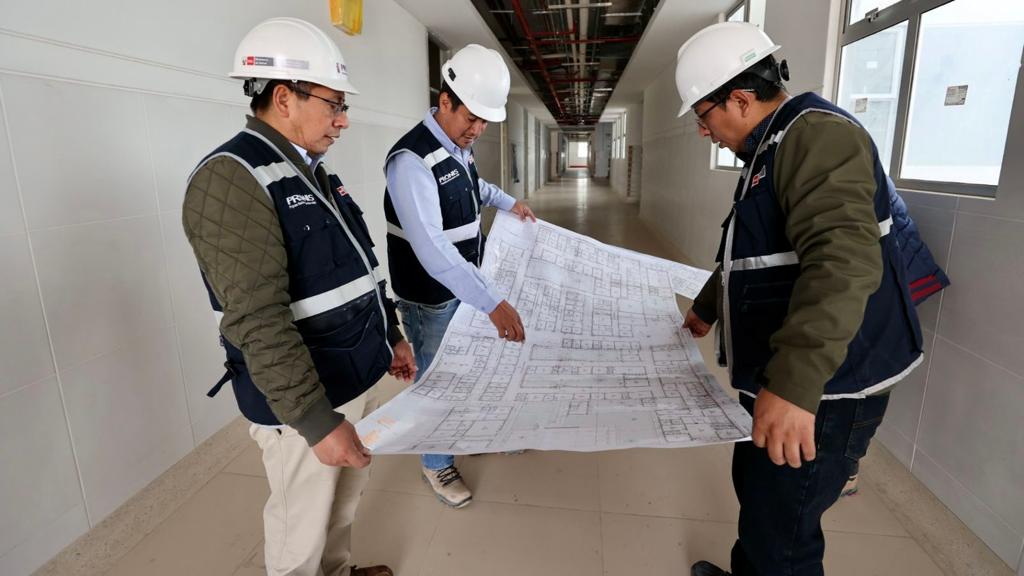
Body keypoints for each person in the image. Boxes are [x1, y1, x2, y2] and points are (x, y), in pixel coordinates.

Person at [674, 23, 924, 576]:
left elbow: (843, 262)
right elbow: (755, 251)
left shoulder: (815, 137)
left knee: (784, 534)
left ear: (739, 99)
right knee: (763, 500)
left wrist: (792, 384)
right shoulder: (774, 144)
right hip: (790, 374)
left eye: (704, 115)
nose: (703, 131)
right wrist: (708, 306)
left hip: (826, 387)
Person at [182, 17, 415, 576]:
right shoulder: (233, 177)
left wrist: (393, 337)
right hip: (304, 404)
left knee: (341, 506)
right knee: (300, 526)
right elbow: (257, 319)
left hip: (353, 375)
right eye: (333, 103)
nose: (344, 119)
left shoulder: (312, 173)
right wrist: (315, 420)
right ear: (283, 98)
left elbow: (360, 269)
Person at [382, 44, 536, 508]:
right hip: (431, 296)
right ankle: (435, 463)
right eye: (471, 117)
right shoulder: (410, 161)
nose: (478, 129)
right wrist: (491, 302)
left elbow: (474, 187)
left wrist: (509, 203)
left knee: (473, 368)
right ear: (444, 99)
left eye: (485, 121)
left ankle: (476, 433)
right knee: (437, 379)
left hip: (464, 285)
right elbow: (431, 250)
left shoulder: (457, 147)